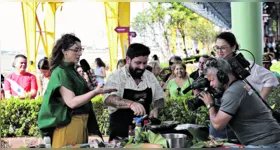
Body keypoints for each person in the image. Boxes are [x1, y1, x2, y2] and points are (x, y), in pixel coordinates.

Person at [37, 33, 117, 148]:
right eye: (76, 50)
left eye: (81, 49)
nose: (80, 53)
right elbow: (72, 102)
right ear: (64, 51)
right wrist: (94, 92)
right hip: (68, 125)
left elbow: (79, 95)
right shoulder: (61, 71)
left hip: (80, 124)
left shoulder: (71, 70)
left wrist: (89, 88)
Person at [211, 32, 279, 140]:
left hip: (242, 122)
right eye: (217, 48)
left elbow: (271, 77)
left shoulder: (244, 65)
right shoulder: (215, 65)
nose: (219, 51)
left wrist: (260, 99)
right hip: (221, 115)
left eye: (223, 48)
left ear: (233, 47)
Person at [199, 58, 280, 147]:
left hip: (264, 144)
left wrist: (209, 104)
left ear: (221, 76)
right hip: (269, 141)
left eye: (212, 80)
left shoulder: (232, 92)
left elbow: (218, 125)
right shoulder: (240, 85)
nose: (211, 84)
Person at [103, 43, 165, 141]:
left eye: (145, 63)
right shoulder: (116, 76)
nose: (142, 67)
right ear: (128, 60)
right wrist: (131, 104)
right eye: (138, 63)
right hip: (120, 136)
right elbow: (109, 99)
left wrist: (156, 108)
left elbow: (160, 98)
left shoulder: (149, 76)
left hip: (145, 134)